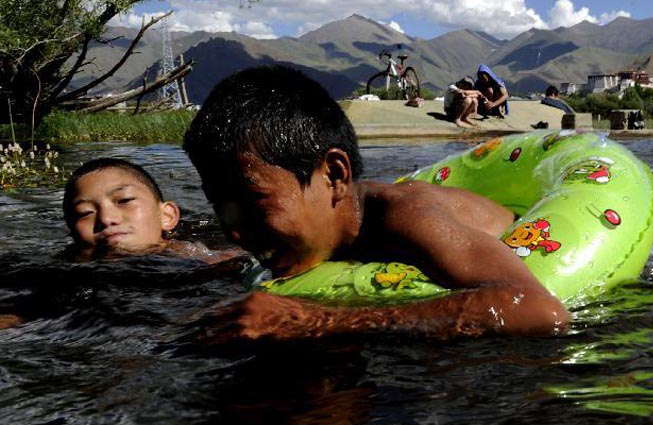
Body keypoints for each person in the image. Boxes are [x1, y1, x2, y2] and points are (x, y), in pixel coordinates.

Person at [183, 66, 568, 340]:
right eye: (221, 205)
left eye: (253, 201)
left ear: (334, 175)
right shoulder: (310, 231)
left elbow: (537, 309)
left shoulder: (407, 218)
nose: (234, 229)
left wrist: (322, 320)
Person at [63, 158, 238, 262]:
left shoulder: (199, 258)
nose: (107, 219)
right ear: (72, 232)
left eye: (124, 200)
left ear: (166, 216)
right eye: (85, 213)